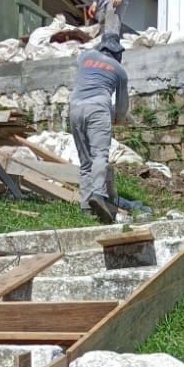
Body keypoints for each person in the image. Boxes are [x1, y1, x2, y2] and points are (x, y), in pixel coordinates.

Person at [69, 32, 129, 223]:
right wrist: (118, 119)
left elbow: (85, 58)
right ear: (118, 53)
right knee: (99, 156)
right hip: (98, 109)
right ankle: (99, 194)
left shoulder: (86, 57)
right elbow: (121, 108)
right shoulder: (120, 71)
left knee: (86, 161)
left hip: (75, 109)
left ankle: (86, 207)